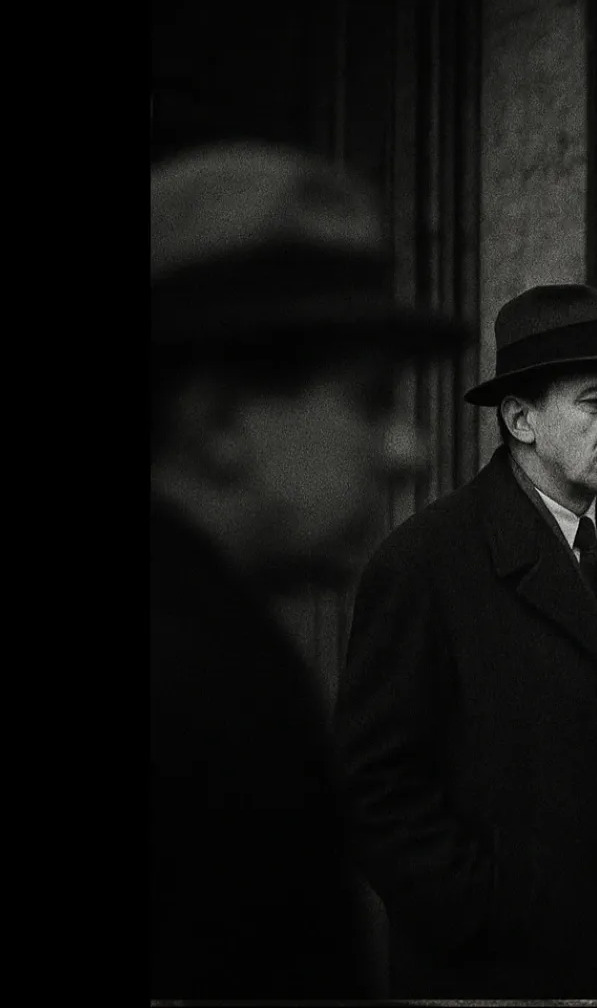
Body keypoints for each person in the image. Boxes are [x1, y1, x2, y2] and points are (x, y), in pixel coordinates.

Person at [334, 282, 597, 998]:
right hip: (497, 976)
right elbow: (374, 790)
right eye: (596, 400)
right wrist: (486, 907)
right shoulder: (425, 561)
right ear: (520, 418)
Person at [150, 141, 468, 999]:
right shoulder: (199, 701)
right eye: (370, 400)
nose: (409, 447)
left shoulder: (215, 652)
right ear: (217, 422)